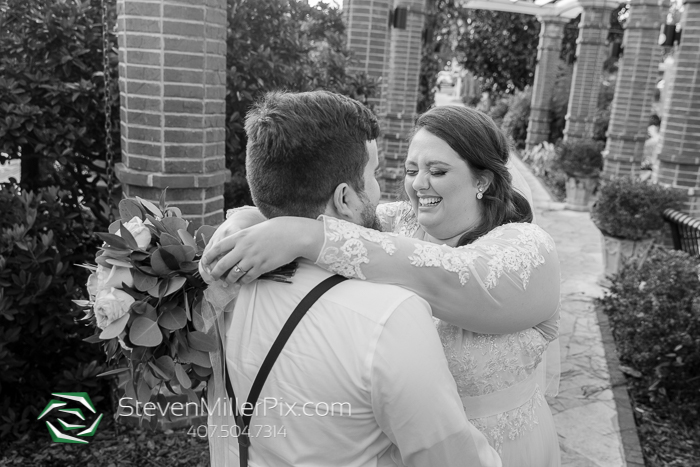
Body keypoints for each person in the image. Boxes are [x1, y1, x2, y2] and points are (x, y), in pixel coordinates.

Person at [202, 104, 562, 466]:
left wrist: (306, 235)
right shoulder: (400, 222)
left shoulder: (529, 249)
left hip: (508, 448)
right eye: (411, 170)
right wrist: (245, 224)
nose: (418, 184)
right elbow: (325, 207)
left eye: (437, 170)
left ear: (482, 180)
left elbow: (453, 278)